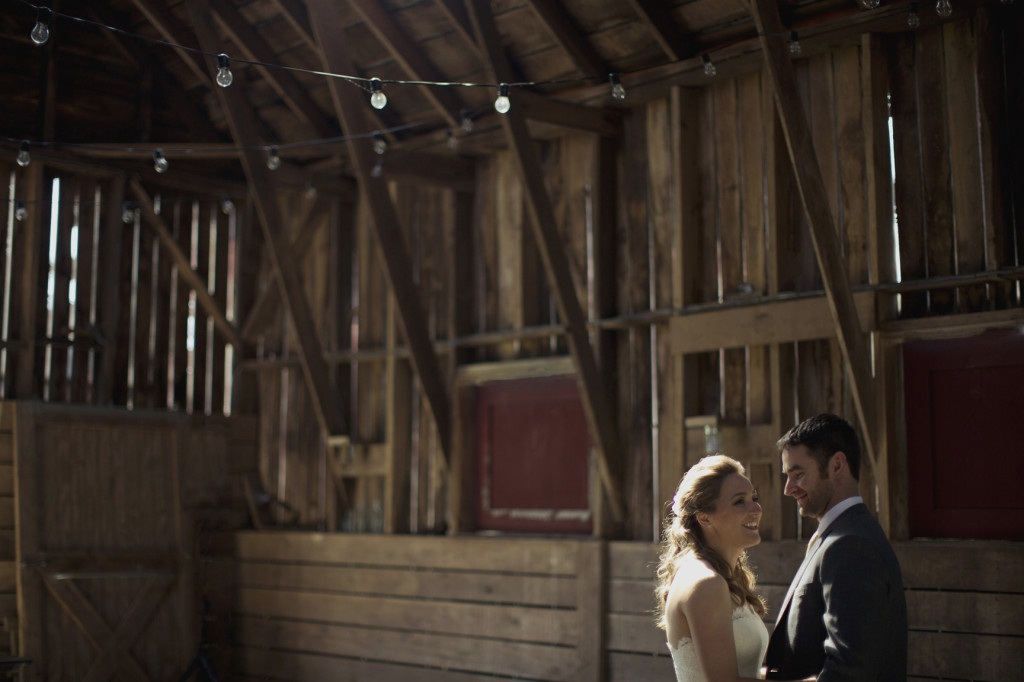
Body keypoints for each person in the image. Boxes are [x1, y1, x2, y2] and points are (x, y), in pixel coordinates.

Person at [765, 413, 907, 681]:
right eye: (787, 476)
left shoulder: (850, 546)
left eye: (798, 474)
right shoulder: (839, 536)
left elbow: (848, 671)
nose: (788, 489)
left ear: (837, 465)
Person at [655, 455, 769, 681]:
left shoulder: (722, 577)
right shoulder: (706, 583)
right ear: (705, 518)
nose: (755, 508)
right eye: (739, 501)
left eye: (753, 497)